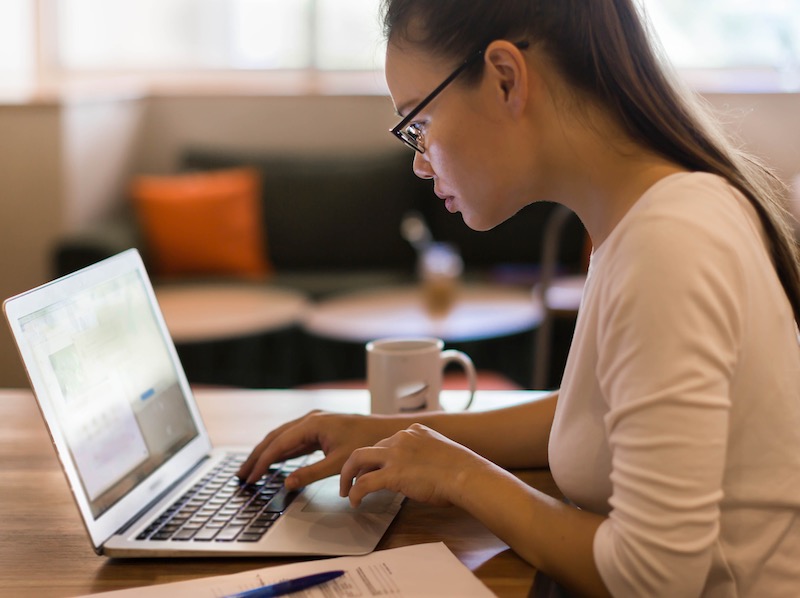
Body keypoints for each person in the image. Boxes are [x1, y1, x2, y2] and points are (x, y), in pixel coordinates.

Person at [238, 1, 800, 595]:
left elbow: (650, 577)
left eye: (419, 123)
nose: (420, 163)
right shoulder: (647, 218)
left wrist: (458, 473)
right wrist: (391, 434)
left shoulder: (670, 242)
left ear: (506, 78)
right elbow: (598, 415)